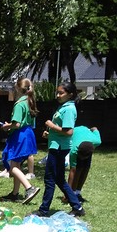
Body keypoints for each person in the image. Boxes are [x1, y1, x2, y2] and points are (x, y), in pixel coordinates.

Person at [34, 81, 85, 217]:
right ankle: (77, 208)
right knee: (59, 179)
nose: (58, 95)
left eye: (61, 93)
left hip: (59, 148)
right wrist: (50, 134)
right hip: (57, 145)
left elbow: (68, 132)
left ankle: (44, 210)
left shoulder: (68, 109)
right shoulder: (64, 106)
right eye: (57, 92)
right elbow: (61, 130)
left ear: (70, 94)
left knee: (49, 179)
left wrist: (51, 125)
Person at [0, 77, 41, 204]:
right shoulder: (30, 101)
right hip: (27, 133)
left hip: (19, 136)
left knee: (13, 168)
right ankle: (15, 193)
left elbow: (16, 124)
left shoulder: (19, 104)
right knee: (16, 164)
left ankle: (29, 188)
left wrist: (6, 126)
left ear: (17, 88)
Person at [67, 126, 101, 202]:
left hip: (87, 146)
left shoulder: (97, 141)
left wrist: (92, 129)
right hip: (76, 137)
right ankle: (72, 193)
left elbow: (95, 128)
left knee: (86, 168)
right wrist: (68, 194)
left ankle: (77, 193)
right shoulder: (74, 150)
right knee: (77, 169)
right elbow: (72, 171)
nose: (82, 158)